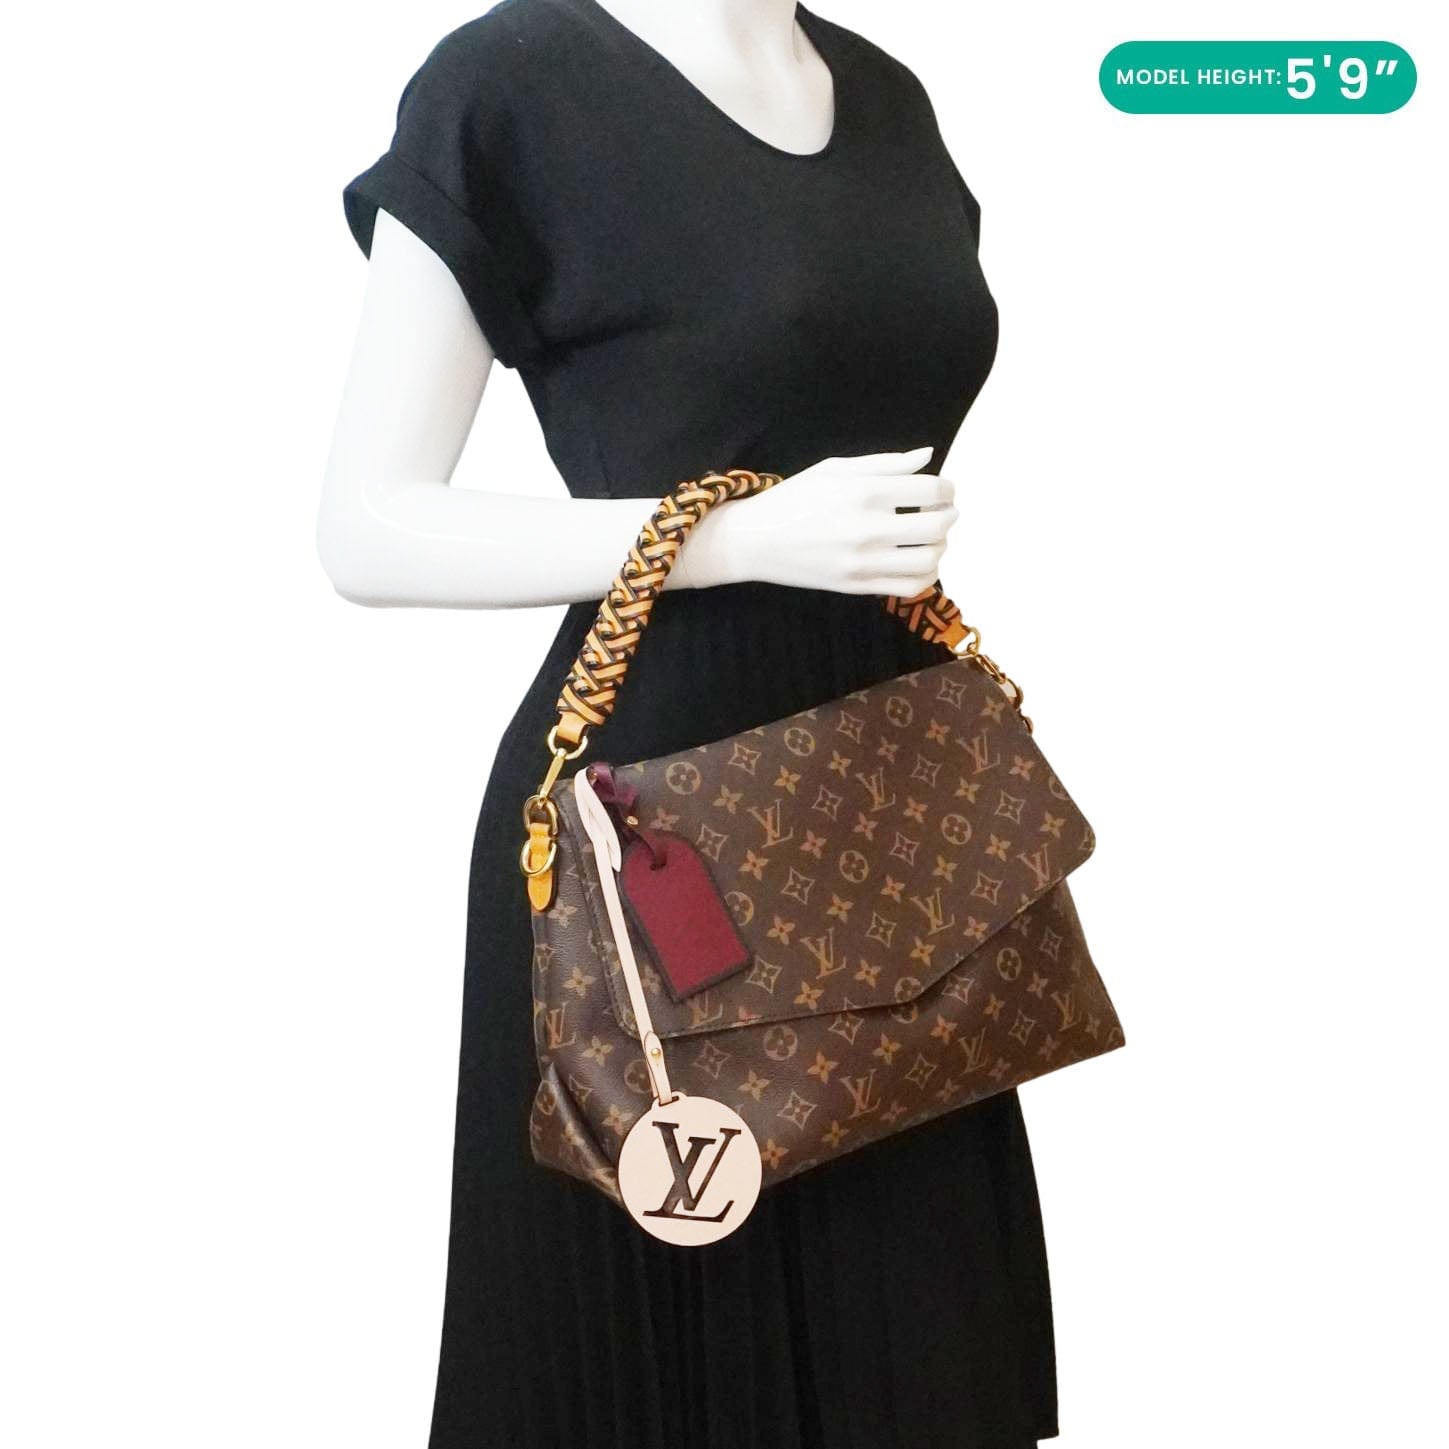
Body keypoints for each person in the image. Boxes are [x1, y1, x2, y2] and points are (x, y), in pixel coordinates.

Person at [321, 3, 1058, 1445]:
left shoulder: (887, 97)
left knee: (921, 1358)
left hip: (888, 829)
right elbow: (366, 526)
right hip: (651, 845)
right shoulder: (512, 88)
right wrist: (726, 537)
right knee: (657, 1360)